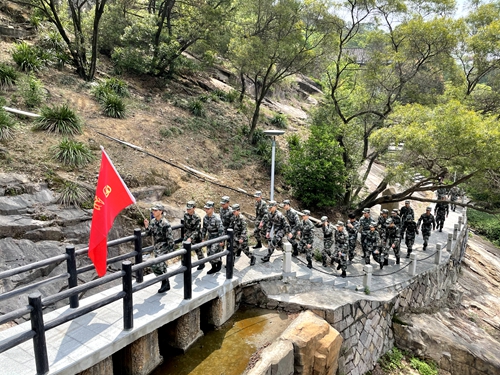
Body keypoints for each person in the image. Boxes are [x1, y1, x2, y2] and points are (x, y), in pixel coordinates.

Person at [144, 204, 174, 293]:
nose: (153, 212)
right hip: (157, 248)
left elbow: (170, 239)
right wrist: (146, 226)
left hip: (164, 248)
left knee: (157, 265)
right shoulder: (153, 221)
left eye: (155, 210)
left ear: (160, 211)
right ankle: (165, 283)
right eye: (153, 210)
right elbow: (149, 233)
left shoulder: (165, 223)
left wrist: (171, 252)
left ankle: (165, 283)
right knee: (160, 267)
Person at [201, 201, 225, 274]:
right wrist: (203, 238)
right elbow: (204, 229)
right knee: (208, 254)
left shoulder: (217, 218)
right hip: (209, 237)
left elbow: (221, 230)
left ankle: (219, 262)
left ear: (212, 209)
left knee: (213, 253)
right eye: (205, 209)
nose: (206, 210)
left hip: (217, 238)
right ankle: (213, 267)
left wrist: (222, 241)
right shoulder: (205, 218)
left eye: (208, 209)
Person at [183, 200, 205, 270]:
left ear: (194, 208)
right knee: (183, 248)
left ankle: (202, 263)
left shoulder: (197, 217)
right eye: (187, 209)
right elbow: (185, 225)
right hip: (188, 233)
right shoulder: (185, 215)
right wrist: (185, 233)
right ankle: (185, 262)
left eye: (189, 209)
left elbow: (197, 230)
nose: (188, 210)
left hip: (196, 235)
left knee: (197, 249)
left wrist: (191, 238)